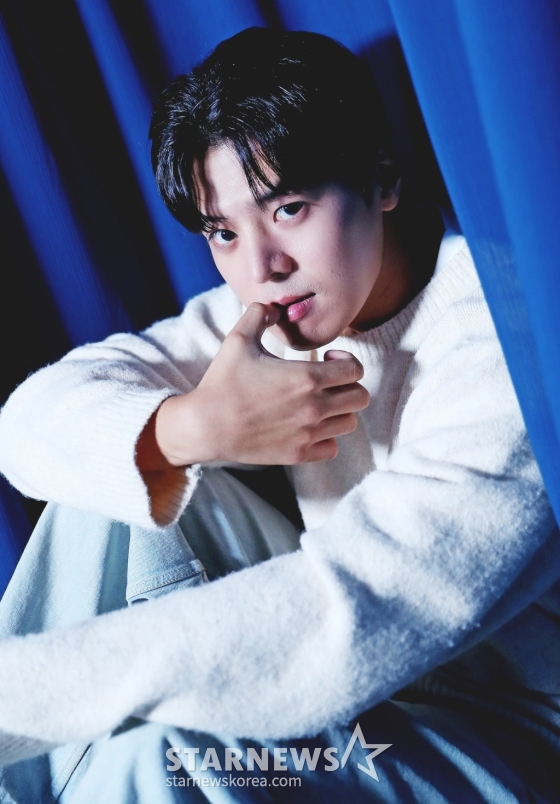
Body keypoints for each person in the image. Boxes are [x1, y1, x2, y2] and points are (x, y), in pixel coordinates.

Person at [0, 26, 559, 803]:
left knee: (160, 762)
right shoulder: (274, 314)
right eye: (224, 233)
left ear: (382, 179)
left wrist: (26, 693)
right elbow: (25, 425)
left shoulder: (506, 334)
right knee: (116, 473)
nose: (261, 267)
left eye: (289, 208)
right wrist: (191, 429)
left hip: (501, 730)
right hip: (370, 700)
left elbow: (348, 618)